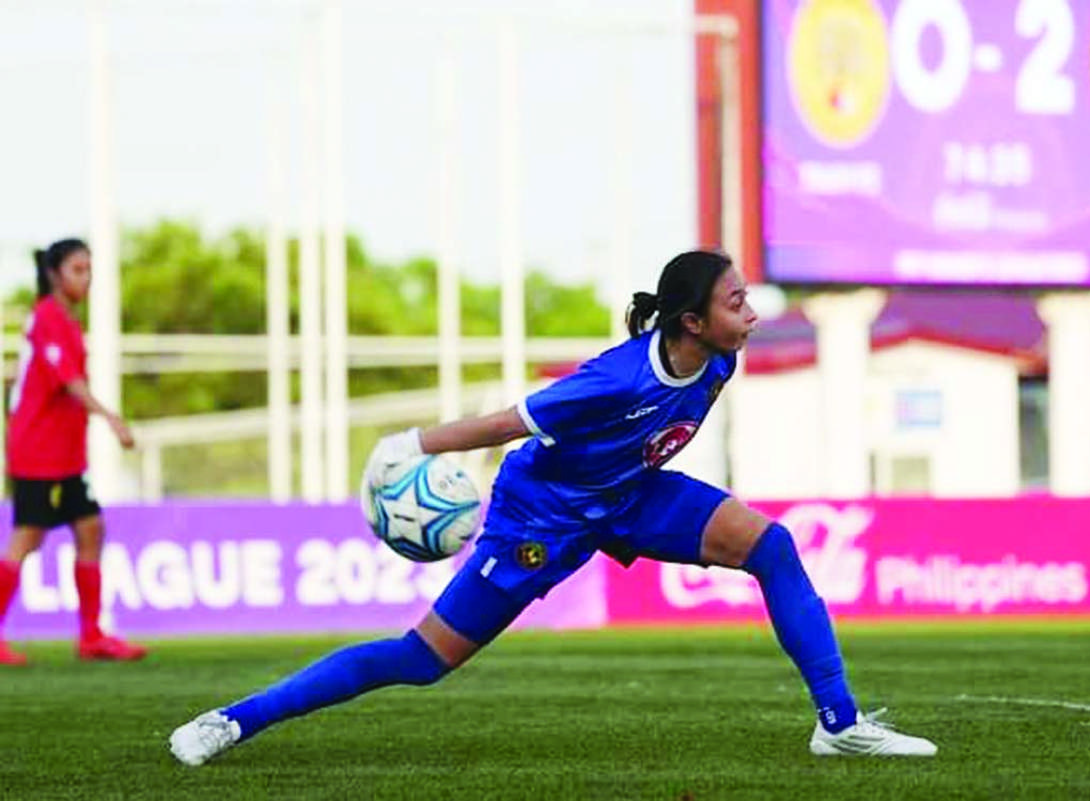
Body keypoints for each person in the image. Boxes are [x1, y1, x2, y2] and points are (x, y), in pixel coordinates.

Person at [169, 250, 936, 763]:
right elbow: (509, 421)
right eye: (736, 300)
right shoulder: (612, 379)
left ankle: (839, 725)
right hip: (540, 517)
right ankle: (235, 718)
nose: (752, 309)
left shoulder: (720, 357)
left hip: (629, 496)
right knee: (422, 658)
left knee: (771, 547)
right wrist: (413, 442)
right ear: (692, 321)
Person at [0, 239, 147, 666]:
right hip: (37, 451)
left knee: (90, 529)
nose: (87, 277)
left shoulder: (64, 319)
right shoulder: (48, 317)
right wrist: (111, 418)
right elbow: (70, 382)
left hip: (63, 454)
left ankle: (92, 636)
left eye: (89, 269)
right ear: (54, 275)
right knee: (27, 537)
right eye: (78, 269)